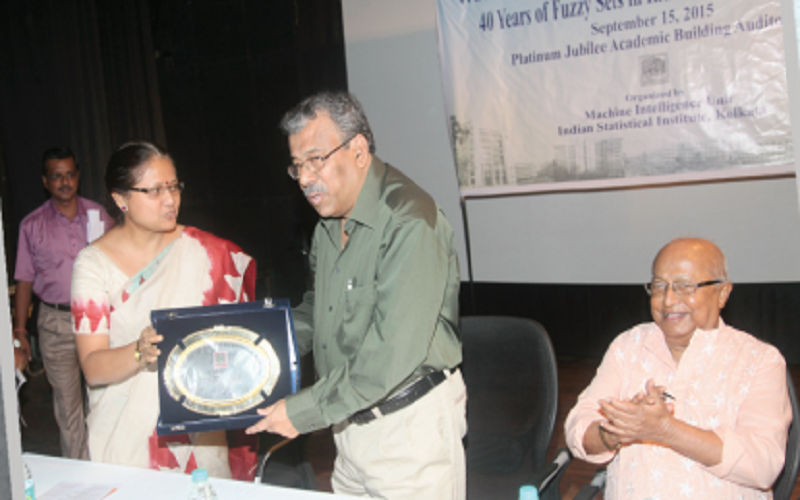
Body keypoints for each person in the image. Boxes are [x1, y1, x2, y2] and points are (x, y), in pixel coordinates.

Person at [246, 91, 466, 499]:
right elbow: (319, 310)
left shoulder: (409, 221)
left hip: (408, 430)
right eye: (297, 166)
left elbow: (391, 353)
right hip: (347, 425)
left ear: (359, 151)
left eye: (316, 159)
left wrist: (302, 411)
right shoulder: (328, 225)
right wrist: (255, 342)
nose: (305, 178)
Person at [70, 141, 258, 479]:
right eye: (155, 190)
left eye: (174, 187)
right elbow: (93, 368)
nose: (170, 200)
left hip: (199, 432)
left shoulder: (206, 253)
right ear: (120, 198)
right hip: (127, 436)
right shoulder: (93, 265)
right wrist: (139, 352)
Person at [565, 237, 792, 499]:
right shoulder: (628, 347)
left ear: (722, 293)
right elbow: (578, 426)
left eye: (684, 287)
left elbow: (763, 464)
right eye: (659, 286)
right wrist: (614, 432)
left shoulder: (759, 360)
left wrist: (667, 430)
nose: (669, 300)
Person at [13, 146, 114, 459]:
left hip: (97, 320)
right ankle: (82, 476)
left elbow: (120, 263)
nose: (65, 182)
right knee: (69, 410)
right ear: (46, 182)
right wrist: (19, 331)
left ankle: (109, 468)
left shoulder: (99, 216)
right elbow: (24, 281)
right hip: (55, 323)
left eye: (70, 175)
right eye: (57, 177)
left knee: (104, 402)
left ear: (78, 176)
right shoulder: (31, 225)